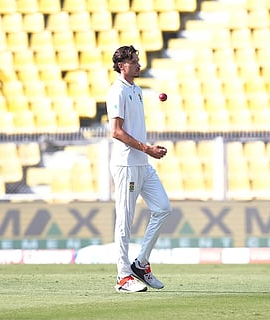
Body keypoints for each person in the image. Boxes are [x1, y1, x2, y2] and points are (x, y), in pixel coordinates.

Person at [106, 45, 172, 293]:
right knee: (124, 221)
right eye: (134, 61)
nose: (139, 65)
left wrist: (146, 152)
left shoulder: (136, 90)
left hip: (142, 164)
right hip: (126, 164)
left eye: (138, 60)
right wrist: (147, 149)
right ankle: (123, 277)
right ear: (122, 65)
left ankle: (141, 263)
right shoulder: (116, 92)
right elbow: (116, 132)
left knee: (164, 208)